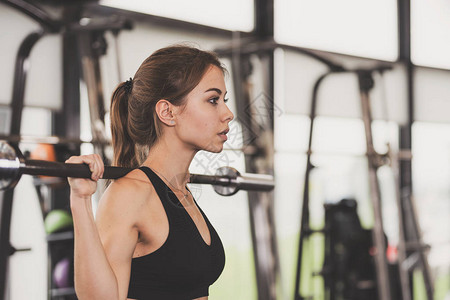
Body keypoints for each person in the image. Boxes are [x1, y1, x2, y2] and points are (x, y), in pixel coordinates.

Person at [66, 44, 234, 300]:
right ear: (167, 112)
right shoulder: (130, 193)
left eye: (224, 100)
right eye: (213, 100)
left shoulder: (180, 191)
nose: (228, 114)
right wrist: (80, 201)